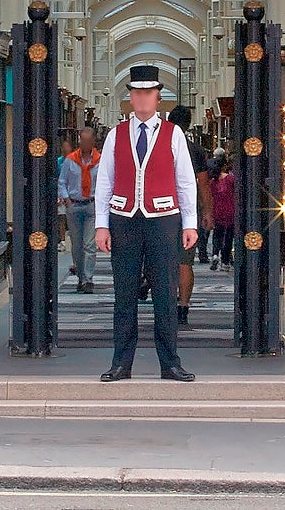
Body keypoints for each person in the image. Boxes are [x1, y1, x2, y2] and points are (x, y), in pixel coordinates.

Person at [95, 64, 199, 383]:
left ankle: (170, 363)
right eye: (137, 93)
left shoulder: (173, 133)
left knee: (165, 294)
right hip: (124, 220)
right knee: (124, 294)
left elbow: (185, 181)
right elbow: (105, 181)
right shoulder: (116, 134)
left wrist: (190, 223)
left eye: (148, 93)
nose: (142, 99)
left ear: (158, 97)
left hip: (163, 221)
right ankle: (121, 364)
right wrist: (102, 224)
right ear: (130, 97)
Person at [167, 105, 210, 326]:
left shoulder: (160, 146)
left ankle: (165, 305)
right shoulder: (195, 150)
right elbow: (202, 184)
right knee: (185, 263)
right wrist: (207, 211)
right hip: (187, 213)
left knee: (162, 262)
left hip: (161, 212)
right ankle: (183, 306)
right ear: (188, 124)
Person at [58, 125, 101, 292]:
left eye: (88, 141)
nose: (85, 144)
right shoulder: (70, 160)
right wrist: (66, 198)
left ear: (93, 142)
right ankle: (81, 276)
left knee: (89, 244)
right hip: (74, 205)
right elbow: (62, 181)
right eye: (83, 140)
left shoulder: (100, 160)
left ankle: (88, 279)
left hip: (91, 205)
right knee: (77, 244)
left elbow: (105, 181)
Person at [209, 155, 236, 271]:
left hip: (217, 210)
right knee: (228, 237)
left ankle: (215, 254)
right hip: (230, 210)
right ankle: (225, 260)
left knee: (217, 234)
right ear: (224, 166)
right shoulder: (230, 179)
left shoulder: (212, 182)